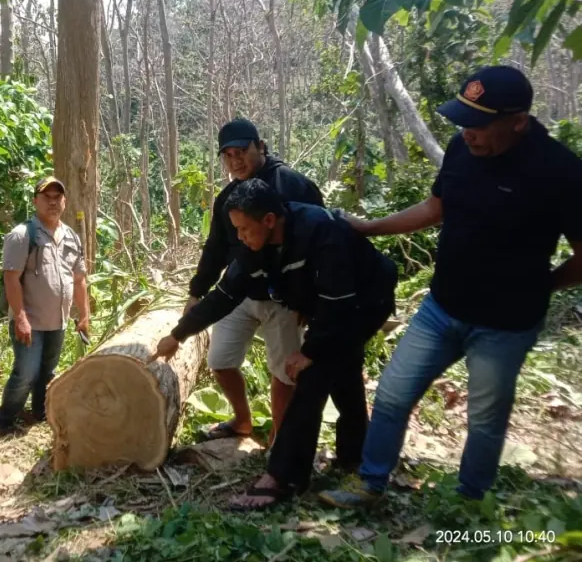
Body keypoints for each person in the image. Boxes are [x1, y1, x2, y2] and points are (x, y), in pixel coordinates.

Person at [319, 66, 582, 509]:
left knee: (484, 418)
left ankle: (467, 502)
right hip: (441, 309)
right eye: (463, 122)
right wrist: (368, 228)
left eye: (479, 124)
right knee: (392, 394)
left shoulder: (561, 171)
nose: (467, 133)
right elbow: (435, 207)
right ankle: (371, 484)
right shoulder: (463, 148)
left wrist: (542, 287)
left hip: (505, 325)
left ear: (518, 121)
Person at [153, 179, 397, 510]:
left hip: (365, 300)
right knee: (345, 372)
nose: (240, 236)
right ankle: (353, 459)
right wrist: (178, 334)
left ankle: (283, 477)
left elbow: (336, 304)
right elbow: (224, 296)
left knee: (312, 377)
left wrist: (308, 351)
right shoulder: (255, 249)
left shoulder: (322, 231)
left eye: (244, 229)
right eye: (235, 230)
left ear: (269, 220)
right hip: (332, 306)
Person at [186, 118, 324, 442]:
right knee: (219, 360)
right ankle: (242, 421)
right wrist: (197, 292)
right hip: (240, 293)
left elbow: (320, 243)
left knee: (284, 373)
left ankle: (280, 443)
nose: (236, 162)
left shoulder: (292, 185)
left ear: (260, 146)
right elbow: (216, 248)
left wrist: (311, 299)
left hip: (285, 299)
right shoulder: (228, 197)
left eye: (242, 152)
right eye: (228, 155)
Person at [0, 177, 89, 433]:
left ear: (65, 201)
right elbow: (11, 278)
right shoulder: (23, 235)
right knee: (26, 373)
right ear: (35, 200)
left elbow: (79, 279)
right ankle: (4, 421)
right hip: (30, 321)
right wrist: (21, 318)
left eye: (57, 197)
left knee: (48, 372)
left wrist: (83, 315)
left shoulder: (71, 237)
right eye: (47, 197)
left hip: (57, 321)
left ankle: (40, 413)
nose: (53, 202)